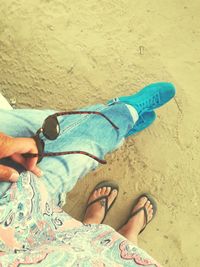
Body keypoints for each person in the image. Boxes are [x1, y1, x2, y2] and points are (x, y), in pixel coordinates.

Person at [0, 82, 175, 266]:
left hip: (10, 220)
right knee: (74, 148)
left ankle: (116, 122)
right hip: (28, 232)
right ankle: (118, 117)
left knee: (52, 136)